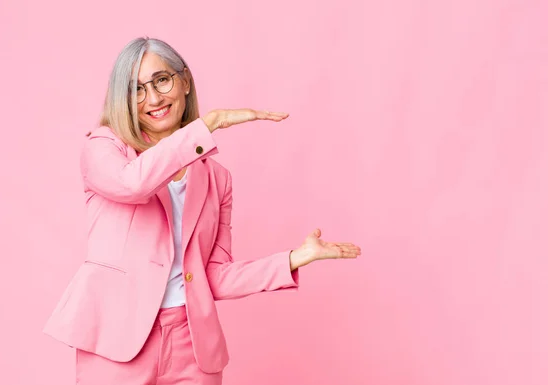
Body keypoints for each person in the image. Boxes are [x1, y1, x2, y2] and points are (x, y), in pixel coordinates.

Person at [43, 37, 362, 385]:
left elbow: (215, 275)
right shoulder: (104, 148)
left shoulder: (216, 179)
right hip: (117, 341)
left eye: (161, 80)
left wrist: (293, 259)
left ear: (184, 81)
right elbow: (133, 185)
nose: (152, 98)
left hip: (192, 347)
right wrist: (206, 126)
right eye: (135, 89)